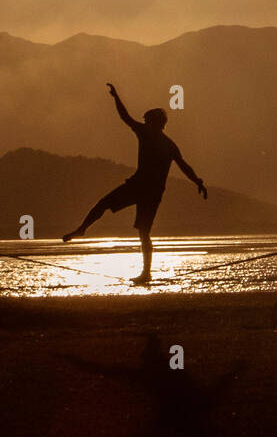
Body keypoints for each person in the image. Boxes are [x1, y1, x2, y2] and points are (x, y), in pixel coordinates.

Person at [63, 82, 207, 285]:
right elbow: (185, 167)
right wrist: (198, 182)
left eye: (147, 120)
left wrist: (115, 97)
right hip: (152, 191)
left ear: (155, 123)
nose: (144, 122)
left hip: (141, 186)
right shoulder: (168, 143)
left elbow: (125, 117)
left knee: (120, 215)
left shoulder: (149, 134)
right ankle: (84, 230)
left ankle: (142, 271)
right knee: (142, 232)